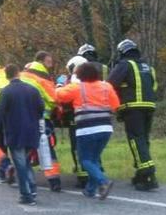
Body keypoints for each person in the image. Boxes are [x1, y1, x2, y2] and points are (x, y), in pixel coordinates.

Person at [56, 62, 120, 199]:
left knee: (85, 160)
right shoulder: (106, 86)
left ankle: (104, 181)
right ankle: (90, 190)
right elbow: (116, 106)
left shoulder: (77, 87)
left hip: (86, 130)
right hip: (105, 129)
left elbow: (60, 96)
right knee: (94, 159)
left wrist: (60, 84)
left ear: (79, 76)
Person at [108, 39, 159, 191]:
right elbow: (154, 86)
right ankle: (141, 174)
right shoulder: (148, 67)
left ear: (122, 52)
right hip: (149, 106)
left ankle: (148, 173)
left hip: (132, 107)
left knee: (135, 140)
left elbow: (110, 84)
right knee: (143, 140)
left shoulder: (124, 65)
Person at [0, 64, 45, 205]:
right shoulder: (33, 90)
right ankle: (32, 188)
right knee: (25, 162)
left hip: (15, 132)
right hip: (32, 132)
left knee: (20, 165)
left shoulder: (6, 92)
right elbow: (41, 109)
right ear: (18, 73)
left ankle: (26, 195)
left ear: (7, 76)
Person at [20, 51, 62, 191]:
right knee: (46, 148)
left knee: (24, 147)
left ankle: (21, 175)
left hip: (21, 118)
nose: (51, 64)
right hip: (41, 118)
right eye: (49, 61)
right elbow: (54, 98)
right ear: (42, 61)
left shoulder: (23, 74)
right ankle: (54, 180)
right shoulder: (42, 78)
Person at [61, 55, 91, 188]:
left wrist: (59, 87)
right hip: (93, 118)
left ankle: (83, 176)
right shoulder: (94, 80)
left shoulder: (74, 81)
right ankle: (94, 172)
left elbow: (65, 99)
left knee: (77, 148)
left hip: (76, 118)